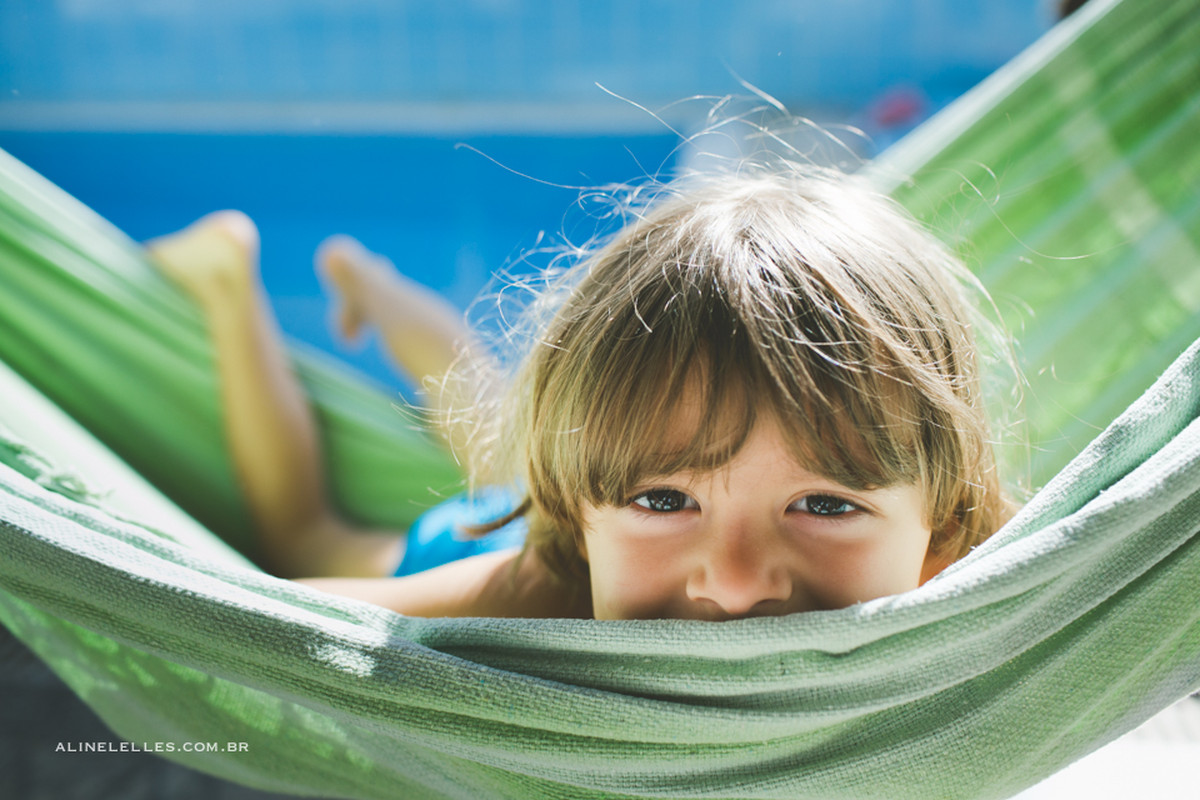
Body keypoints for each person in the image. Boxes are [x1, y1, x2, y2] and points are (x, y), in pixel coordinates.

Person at [148, 164, 1013, 621]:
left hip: (586, 483)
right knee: (304, 532)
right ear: (580, 511)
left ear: (944, 522)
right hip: (487, 540)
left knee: (489, 422)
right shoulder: (530, 597)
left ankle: (375, 289)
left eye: (825, 505)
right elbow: (267, 616)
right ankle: (231, 285)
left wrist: (653, 498)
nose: (738, 585)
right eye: (668, 500)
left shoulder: (988, 568)